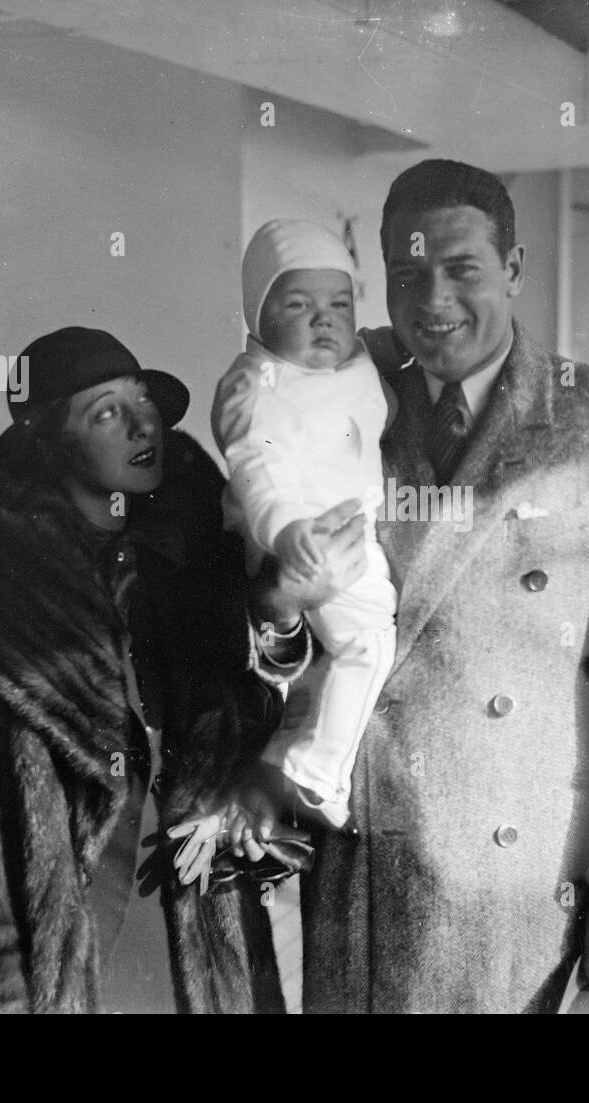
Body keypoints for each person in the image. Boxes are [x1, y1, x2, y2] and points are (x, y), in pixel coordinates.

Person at [292, 160, 589, 1013]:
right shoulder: (338, 407)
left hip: (518, 878)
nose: (433, 299)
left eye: (463, 270)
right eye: (407, 274)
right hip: (363, 857)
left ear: (514, 271)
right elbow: (296, 609)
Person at [0, 326, 364, 1013]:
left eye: (142, 399)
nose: (144, 423)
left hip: (195, 915)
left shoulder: (187, 542)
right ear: (49, 442)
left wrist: (278, 608)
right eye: (106, 411)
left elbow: (243, 723)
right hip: (67, 934)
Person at [213, 219, 397, 830]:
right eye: (299, 305)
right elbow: (257, 468)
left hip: (348, 533)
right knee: (366, 644)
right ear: (258, 317)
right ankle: (317, 774)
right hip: (308, 544)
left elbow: (370, 405)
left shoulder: (354, 360)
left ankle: (305, 762)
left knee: (362, 646)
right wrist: (288, 532)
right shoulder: (258, 386)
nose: (325, 320)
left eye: (340, 304)